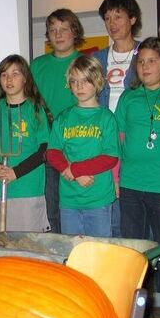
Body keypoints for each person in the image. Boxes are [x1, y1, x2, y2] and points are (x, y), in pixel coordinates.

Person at [116, 37, 160, 318]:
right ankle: (133, 297)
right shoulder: (128, 97)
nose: (145, 66)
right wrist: (118, 179)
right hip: (131, 185)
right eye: (141, 61)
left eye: (152, 61)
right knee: (133, 247)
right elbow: (120, 140)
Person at [46, 55, 119, 237]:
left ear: (97, 82)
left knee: (99, 253)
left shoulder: (107, 118)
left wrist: (77, 169)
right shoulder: (63, 118)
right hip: (69, 201)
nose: (79, 86)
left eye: (85, 80)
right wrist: (69, 170)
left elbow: (110, 157)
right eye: (74, 81)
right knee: (74, 253)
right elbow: (52, 152)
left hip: (98, 200)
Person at [92, 0, 142, 238]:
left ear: (132, 19)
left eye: (118, 17)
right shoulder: (97, 59)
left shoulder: (147, 53)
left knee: (134, 202)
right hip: (105, 139)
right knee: (108, 200)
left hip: (136, 138)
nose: (112, 24)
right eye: (108, 18)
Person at [30, 8, 84, 234]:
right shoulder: (36, 65)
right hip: (45, 148)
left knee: (76, 208)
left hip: (78, 147)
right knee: (51, 208)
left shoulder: (84, 63)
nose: (58, 34)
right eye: (53, 30)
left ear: (75, 32)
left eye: (64, 29)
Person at [0, 55, 51, 232]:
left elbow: (44, 150)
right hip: (0, 188)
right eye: (4, 74)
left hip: (28, 188)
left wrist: (16, 172)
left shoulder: (35, 109)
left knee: (27, 245)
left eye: (15, 74)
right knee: (2, 245)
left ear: (25, 78)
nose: (9, 79)